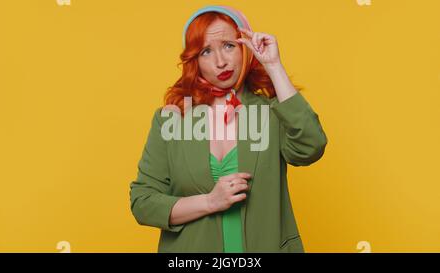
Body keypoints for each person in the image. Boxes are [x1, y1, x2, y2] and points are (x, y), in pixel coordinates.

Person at [129, 5, 328, 253]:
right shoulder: (171, 119)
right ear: (194, 61)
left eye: (229, 46)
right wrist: (210, 202)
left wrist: (274, 65)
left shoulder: (273, 112)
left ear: (245, 48)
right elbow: (143, 202)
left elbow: (312, 146)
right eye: (206, 51)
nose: (220, 62)